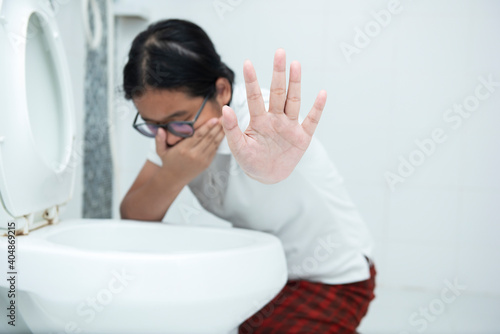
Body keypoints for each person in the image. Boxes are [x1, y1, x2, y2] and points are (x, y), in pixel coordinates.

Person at [120, 18, 376, 334]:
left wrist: (269, 165)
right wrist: (174, 174)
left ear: (222, 90)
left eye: (179, 121)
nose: (168, 139)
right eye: (152, 125)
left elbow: (275, 155)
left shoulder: (267, 121)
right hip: (265, 270)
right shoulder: (171, 130)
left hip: (330, 274)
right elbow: (132, 216)